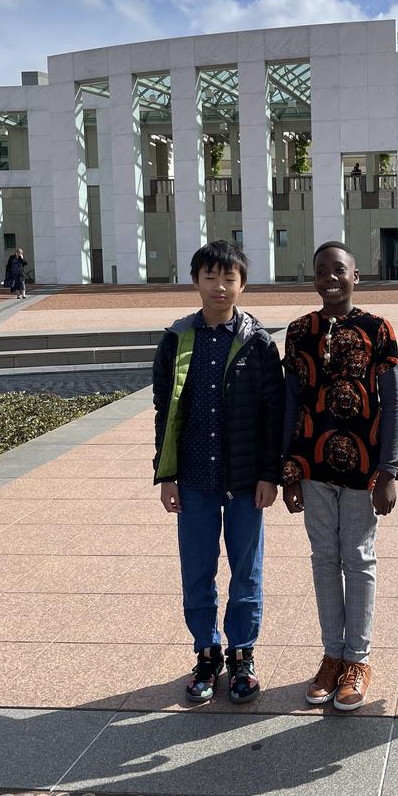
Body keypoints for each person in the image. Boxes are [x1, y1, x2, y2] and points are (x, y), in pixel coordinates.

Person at [153, 240, 284, 705]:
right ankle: (206, 651)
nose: (220, 287)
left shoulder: (258, 342)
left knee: (246, 571)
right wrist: (166, 474)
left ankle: (243, 652)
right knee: (198, 568)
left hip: (247, 480)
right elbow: (164, 412)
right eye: (210, 277)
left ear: (242, 285)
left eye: (229, 278)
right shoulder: (176, 339)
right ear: (196, 282)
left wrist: (271, 474)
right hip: (193, 477)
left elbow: (274, 413)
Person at [282, 241, 398, 711]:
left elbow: (392, 404)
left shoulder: (378, 330)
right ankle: (332, 655)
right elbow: (291, 402)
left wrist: (389, 470)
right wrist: (288, 469)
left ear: (357, 276)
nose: (330, 277)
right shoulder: (298, 331)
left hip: (363, 468)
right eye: (321, 270)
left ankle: (359, 659)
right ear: (312, 277)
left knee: (358, 556)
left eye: (340, 269)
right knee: (323, 557)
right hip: (312, 465)